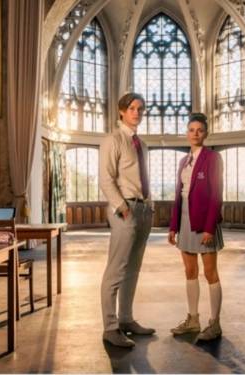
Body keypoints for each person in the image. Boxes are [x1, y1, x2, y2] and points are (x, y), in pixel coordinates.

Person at [99, 93, 154, 348]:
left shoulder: (141, 144)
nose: (137, 113)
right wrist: (123, 208)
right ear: (121, 111)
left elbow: (143, 178)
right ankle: (110, 328)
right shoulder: (113, 139)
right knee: (116, 269)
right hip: (125, 209)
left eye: (141, 109)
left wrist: (149, 204)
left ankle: (126, 319)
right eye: (132, 108)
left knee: (134, 267)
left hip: (143, 209)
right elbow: (106, 179)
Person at [168, 113, 224, 341]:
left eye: (199, 130)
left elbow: (216, 195)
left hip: (205, 223)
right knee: (190, 272)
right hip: (184, 220)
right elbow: (178, 196)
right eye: (191, 130)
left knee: (210, 273)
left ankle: (215, 323)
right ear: (186, 133)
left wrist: (210, 228)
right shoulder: (184, 161)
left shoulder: (213, 158)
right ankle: (193, 319)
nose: (195, 134)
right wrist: (173, 227)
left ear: (206, 133)